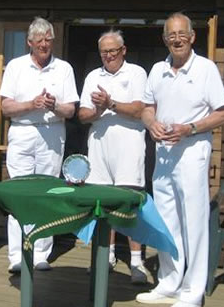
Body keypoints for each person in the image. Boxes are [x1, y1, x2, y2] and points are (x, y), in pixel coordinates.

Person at [136, 13, 224, 307]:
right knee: (166, 221)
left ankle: (193, 291)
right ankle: (169, 282)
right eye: (170, 35)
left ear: (192, 37)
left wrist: (189, 128)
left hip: (192, 152)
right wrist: (151, 123)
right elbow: (146, 106)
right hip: (163, 155)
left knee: (194, 222)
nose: (176, 40)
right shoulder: (156, 70)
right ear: (165, 39)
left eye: (182, 34)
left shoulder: (205, 69)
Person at [0, 17, 79, 273]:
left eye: (48, 39)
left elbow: (70, 110)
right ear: (29, 42)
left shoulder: (64, 68)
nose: (44, 44)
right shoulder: (15, 66)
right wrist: (30, 105)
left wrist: (54, 105)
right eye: (39, 40)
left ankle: (41, 254)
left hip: (52, 133)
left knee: (46, 193)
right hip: (22, 133)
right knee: (19, 193)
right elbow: (6, 107)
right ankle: (16, 255)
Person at [78, 29, 148, 284]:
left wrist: (111, 104)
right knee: (103, 204)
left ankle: (137, 262)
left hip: (129, 148)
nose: (108, 56)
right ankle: (104, 258)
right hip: (99, 148)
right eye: (104, 52)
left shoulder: (137, 73)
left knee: (130, 205)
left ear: (123, 51)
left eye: (113, 51)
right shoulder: (92, 76)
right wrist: (98, 109)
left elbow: (140, 109)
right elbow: (82, 115)